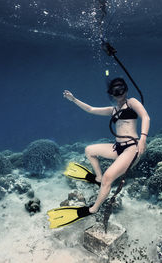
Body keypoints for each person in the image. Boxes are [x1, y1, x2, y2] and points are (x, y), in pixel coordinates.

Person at [62, 77, 150, 214]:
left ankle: (93, 209)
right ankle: (98, 178)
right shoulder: (113, 110)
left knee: (108, 178)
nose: (119, 93)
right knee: (89, 150)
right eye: (115, 91)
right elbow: (90, 109)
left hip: (132, 148)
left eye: (121, 89)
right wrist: (73, 99)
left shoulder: (132, 102)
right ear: (111, 94)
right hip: (118, 147)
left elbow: (145, 117)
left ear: (126, 90)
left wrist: (143, 138)